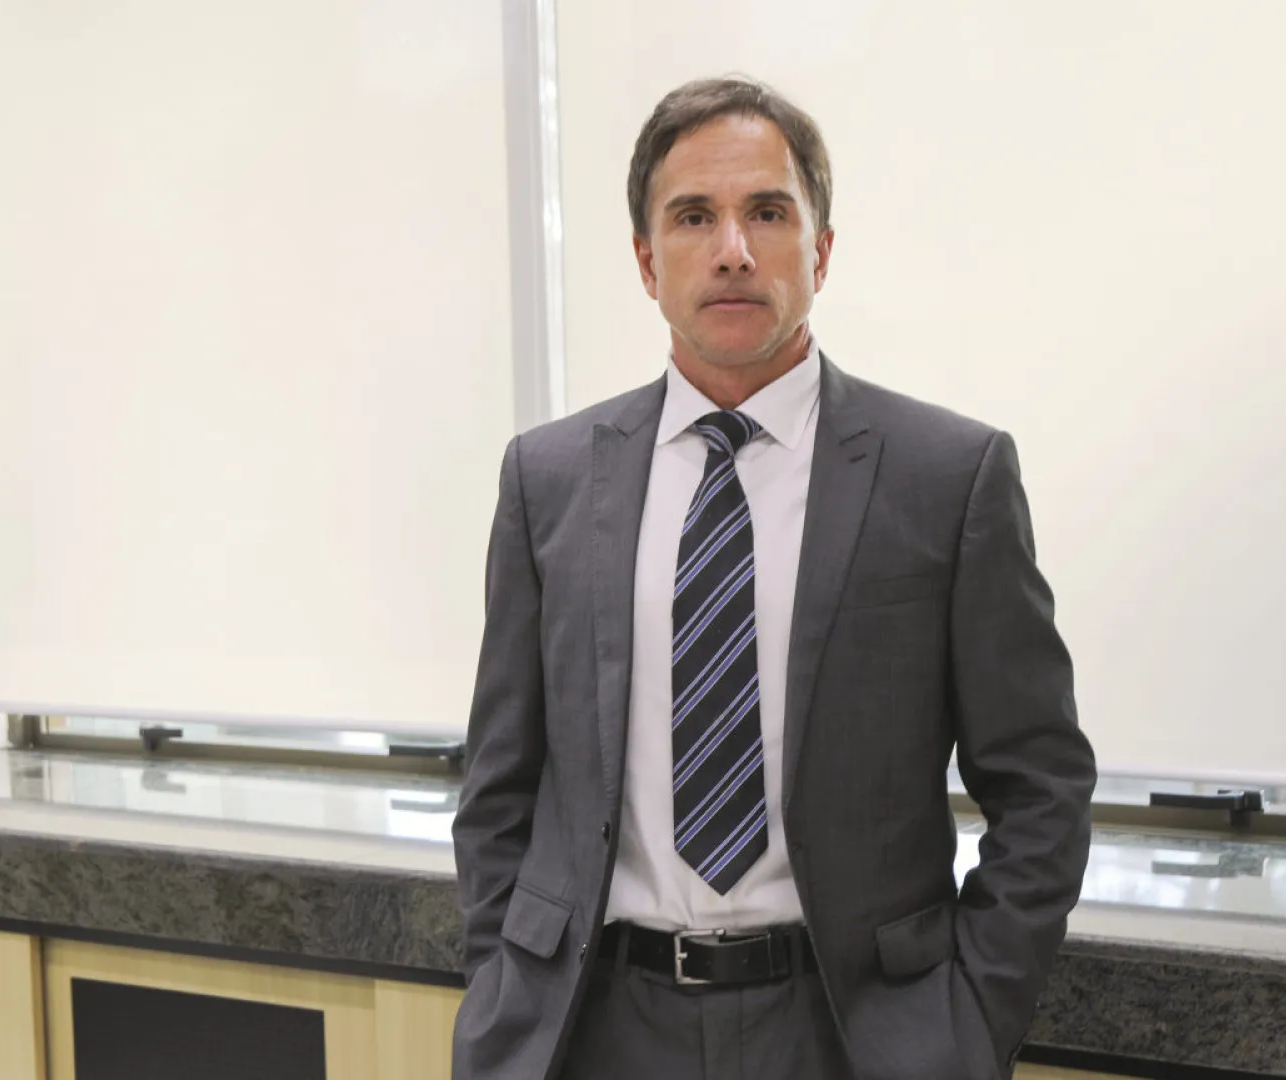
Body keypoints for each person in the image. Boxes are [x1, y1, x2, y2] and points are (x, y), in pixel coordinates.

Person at [451, 75, 1096, 1080]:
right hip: (593, 1028)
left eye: (766, 212)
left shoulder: (947, 477)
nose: (732, 250)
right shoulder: (549, 479)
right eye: (692, 217)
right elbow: (500, 784)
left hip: (854, 1033)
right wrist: (502, 990)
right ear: (645, 261)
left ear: (820, 250)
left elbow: (1041, 785)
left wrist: (964, 1023)